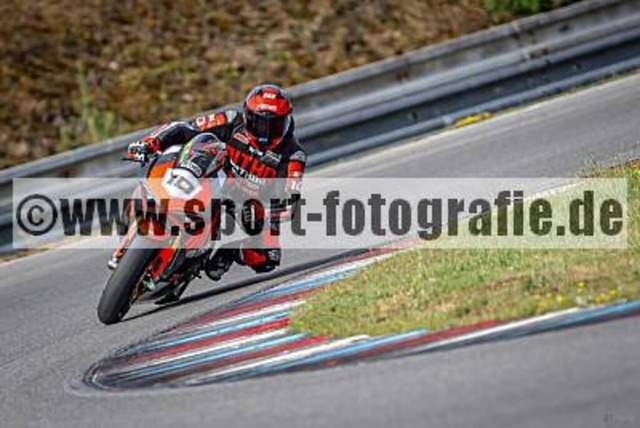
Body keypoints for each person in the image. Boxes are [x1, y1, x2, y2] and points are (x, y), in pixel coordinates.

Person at [119, 84, 306, 281]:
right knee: (187, 153)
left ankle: (228, 253)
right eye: (258, 123)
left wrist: (263, 212)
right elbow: (185, 128)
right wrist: (150, 142)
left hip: (248, 204)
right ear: (247, 115)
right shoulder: (231, 120)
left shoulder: (293, 155)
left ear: (287, 121)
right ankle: (147, 215)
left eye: (274, 125)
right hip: (214, 176)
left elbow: (290, 204)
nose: (264, 133)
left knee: (267, 257)